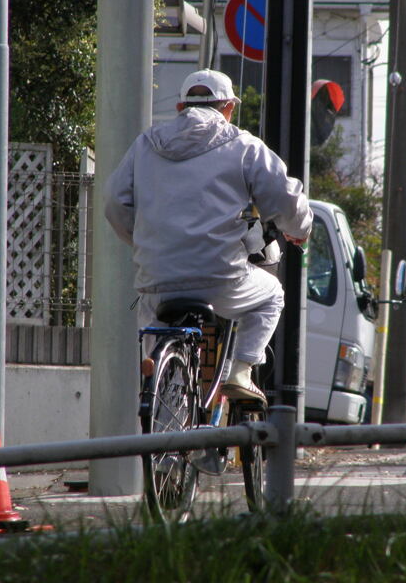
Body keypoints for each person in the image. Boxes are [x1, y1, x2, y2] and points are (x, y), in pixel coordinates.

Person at [104, 68, 312, 405]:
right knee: (271, 294)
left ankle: (163, 405)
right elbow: (285, 198)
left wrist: (143, 239)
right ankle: (240, 371)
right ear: (228, 106)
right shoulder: (243, 145)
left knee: (157, 340)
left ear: (180, 107)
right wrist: (298, 230)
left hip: (156, 279)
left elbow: (115, 202)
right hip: (220, 279)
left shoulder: (144, 145)